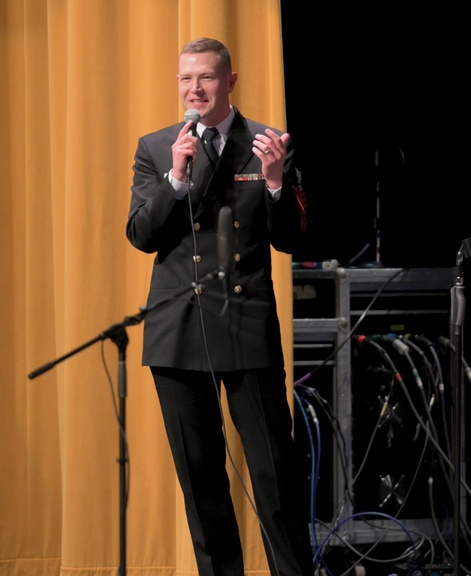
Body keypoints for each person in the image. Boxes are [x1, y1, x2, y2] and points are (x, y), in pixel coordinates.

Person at [126, 38, 314, 576]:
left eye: (206, 78)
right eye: (186, 79)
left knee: (275, 474)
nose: (195, 89)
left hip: (246, 323)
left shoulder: (267, 142)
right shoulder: (159, 147)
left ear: (230, 82)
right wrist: (176, 180)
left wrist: (277, 183)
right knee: (202, 480)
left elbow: (292, 239)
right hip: (178, 326)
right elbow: (140, 234)